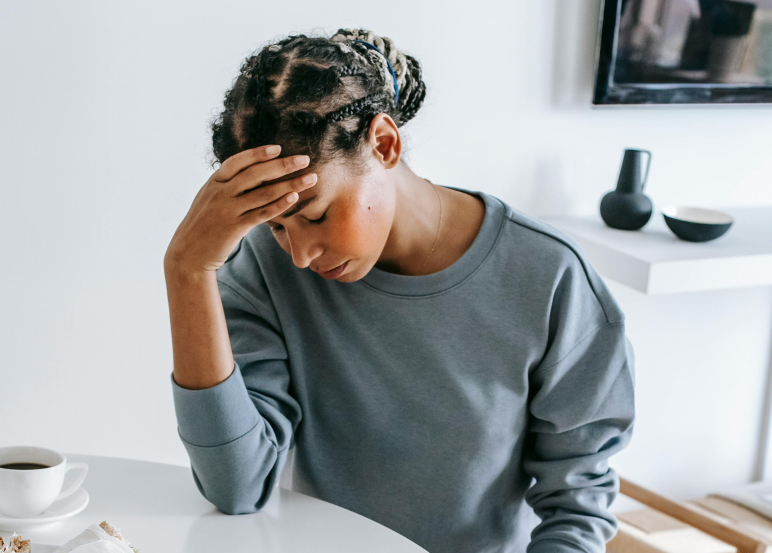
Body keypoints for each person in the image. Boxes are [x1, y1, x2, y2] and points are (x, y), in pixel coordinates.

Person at [164, 28, 636, 553]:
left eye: (316, 216)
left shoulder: (549, 277)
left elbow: (577, 504)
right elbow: (237, 487)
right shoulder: (266, 270)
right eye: (276, 225)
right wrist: (188, 271)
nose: (299, 254)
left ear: (384, 145)